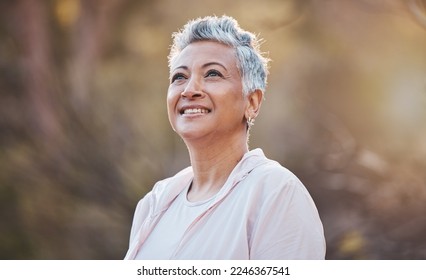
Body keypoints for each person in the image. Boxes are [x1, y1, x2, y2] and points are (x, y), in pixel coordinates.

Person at [124, 15, 326, 260]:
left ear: (252, 102)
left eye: (212, 74)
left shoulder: (276, 193)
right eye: (180, 77)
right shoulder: (154, 204)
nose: (189, 90)